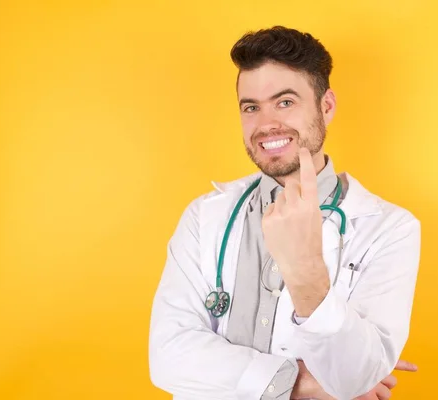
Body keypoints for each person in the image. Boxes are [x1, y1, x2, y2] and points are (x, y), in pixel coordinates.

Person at [148, 26, 421, 400]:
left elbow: (354, 376)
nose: (265, 124)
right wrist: (300, 384)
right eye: (251, 107)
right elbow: (167, 356)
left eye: (285, 102)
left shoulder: (390, 229)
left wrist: (306, 271)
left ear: (326, 106)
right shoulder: (204, 218)